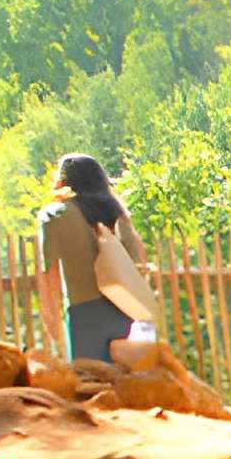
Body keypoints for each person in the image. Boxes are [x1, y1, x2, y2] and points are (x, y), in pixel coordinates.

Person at [34, 153, 149, 363]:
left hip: (84, 315)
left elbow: (48, 273)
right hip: (126, 309)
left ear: (63, 181)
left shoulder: (53, 216)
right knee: (124, 384)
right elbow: (140, 261)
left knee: (90, 384)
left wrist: (51, 318)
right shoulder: (118, 213)